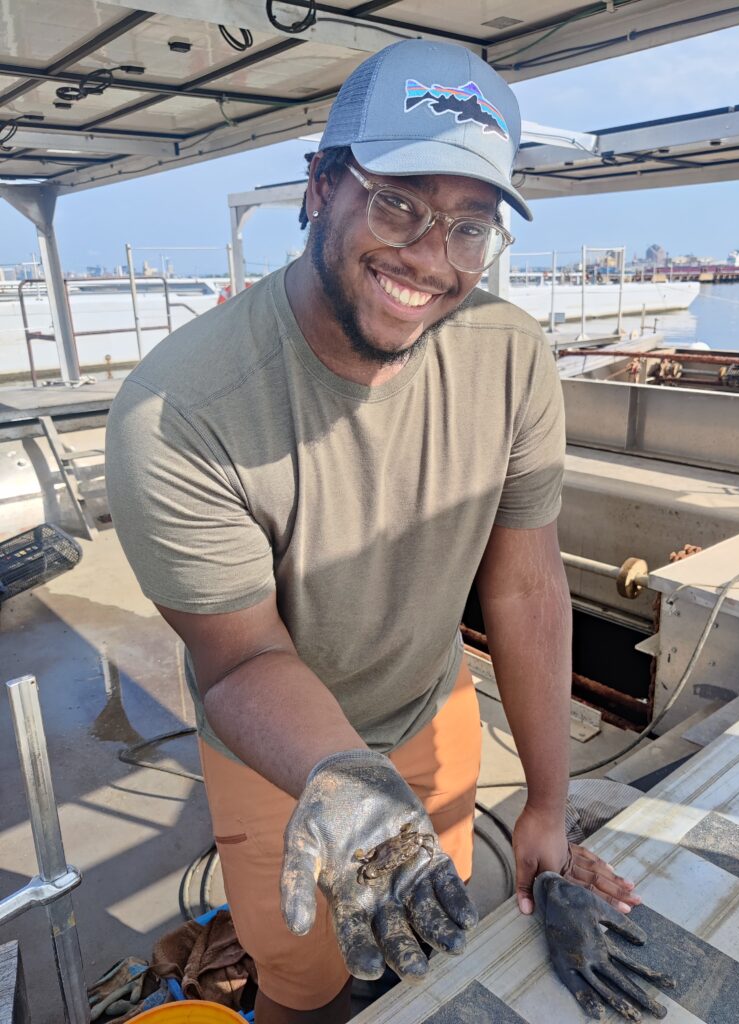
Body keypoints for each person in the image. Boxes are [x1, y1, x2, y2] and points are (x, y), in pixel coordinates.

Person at [106, 39, 639, 1024]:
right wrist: (346, 784)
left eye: (470, 226)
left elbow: (524, 587)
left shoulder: (513, 357)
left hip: (434, 713)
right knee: (306, 982)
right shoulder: (175, 413)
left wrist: (551, 807)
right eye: (397, 202)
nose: (430, 259)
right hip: (273, 750)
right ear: (320, 187)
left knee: (427, 940)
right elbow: (239, 658)